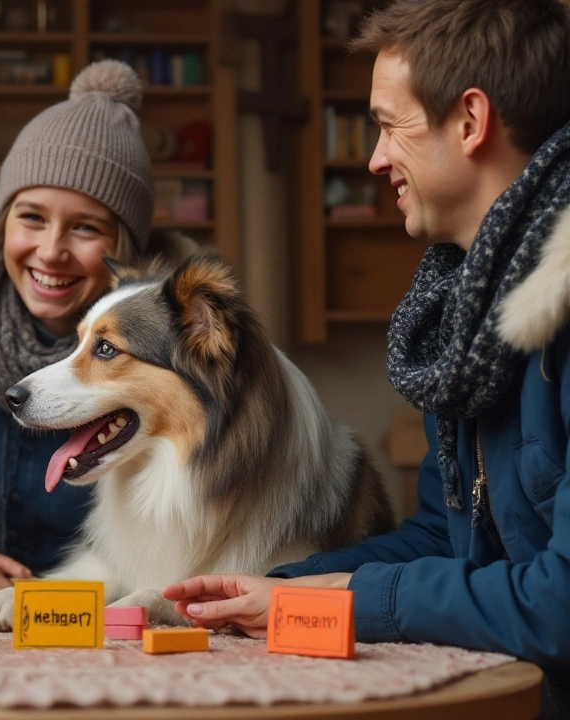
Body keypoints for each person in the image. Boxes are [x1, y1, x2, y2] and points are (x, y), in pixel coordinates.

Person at [161, 0, 570, 715]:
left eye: (388, 124)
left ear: (470, 122)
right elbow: (446, 538)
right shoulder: (464, 311)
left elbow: (559, 604)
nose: (376, 158)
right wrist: (282, 586)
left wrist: (344, 597)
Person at [0, 60, 192, 609]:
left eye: (85, 226)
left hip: (111, 607)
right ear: (2, 224)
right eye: (31, 217)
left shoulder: (173, 355)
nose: (51, 250)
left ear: (126, 245)